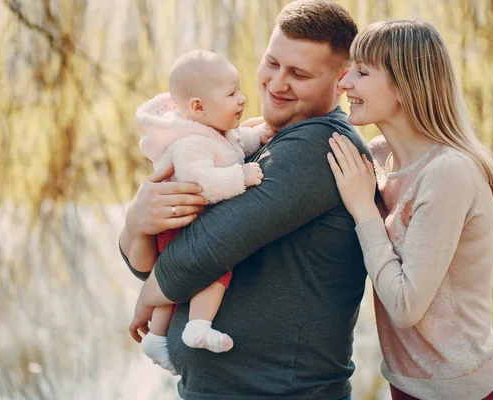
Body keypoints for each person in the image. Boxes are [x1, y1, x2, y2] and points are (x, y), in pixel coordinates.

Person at [119, 1, 367, 399]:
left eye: (298, 74)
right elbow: (159, 259)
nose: (275, 83)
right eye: (272, 63)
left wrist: (152, 293)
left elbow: (204, 249)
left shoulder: (321, 146)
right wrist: (136, 223)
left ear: (341, 81)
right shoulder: (245, 141)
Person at [326, 20, 493, 400]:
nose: (344, 82)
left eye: (361, 72)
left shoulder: (449, 173)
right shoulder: (379, 156)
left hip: (462, 392)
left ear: (404, 85)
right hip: (405, 386)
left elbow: (406, 306)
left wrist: (364, 210)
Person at [133, 50, 274, 374]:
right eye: (231, 94)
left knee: (191, 274)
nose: (242, 99)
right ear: (198, 107)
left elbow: (237, 144)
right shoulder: (190, 143)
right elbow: (204, 184)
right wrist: (242, 177)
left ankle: (157, 337)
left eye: (239, 90)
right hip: (178, 223)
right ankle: (197, 325)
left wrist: (261, 135)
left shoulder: (213, 130)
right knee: (211, 269)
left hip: (188, 220)